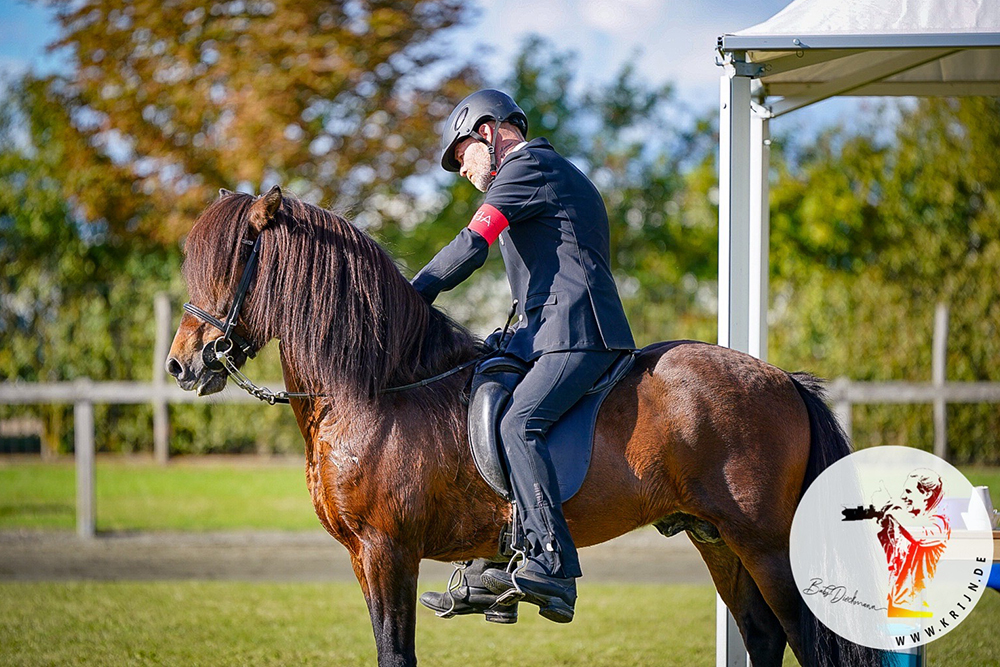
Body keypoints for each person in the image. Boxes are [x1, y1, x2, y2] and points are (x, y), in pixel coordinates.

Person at [413, 89, 635, 624]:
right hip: (542, 332)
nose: (462, 170)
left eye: (462, 154)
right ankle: (492, 564)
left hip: (579, 332)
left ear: (488, 132)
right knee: (475, 394)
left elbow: (471, 245)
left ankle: (552, 564)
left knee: (518, 425)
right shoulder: (532, 172)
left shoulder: (529, 165)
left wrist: (407, 295)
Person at [874, 469, 950, 617]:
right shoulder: (907, 521)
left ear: (926, 494)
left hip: (915, 605)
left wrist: (896, 514)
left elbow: (922, 536)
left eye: (908, 491)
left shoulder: (938, 522)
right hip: (894, 602)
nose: (903, 496)